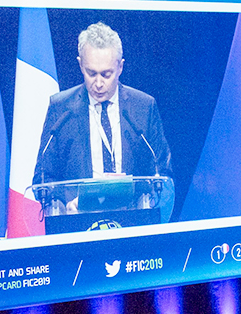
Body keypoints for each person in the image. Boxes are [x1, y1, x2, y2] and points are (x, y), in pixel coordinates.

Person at [32, 21, 173, 195]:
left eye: (106, 74)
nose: (98, 84)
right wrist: (69, 202)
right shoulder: (61, 109)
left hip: (133, 216)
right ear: (80, 65)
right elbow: (43, 179)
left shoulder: (143, 107)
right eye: (91, 73)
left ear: (120, 67)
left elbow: (163, 174)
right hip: (79, 218)